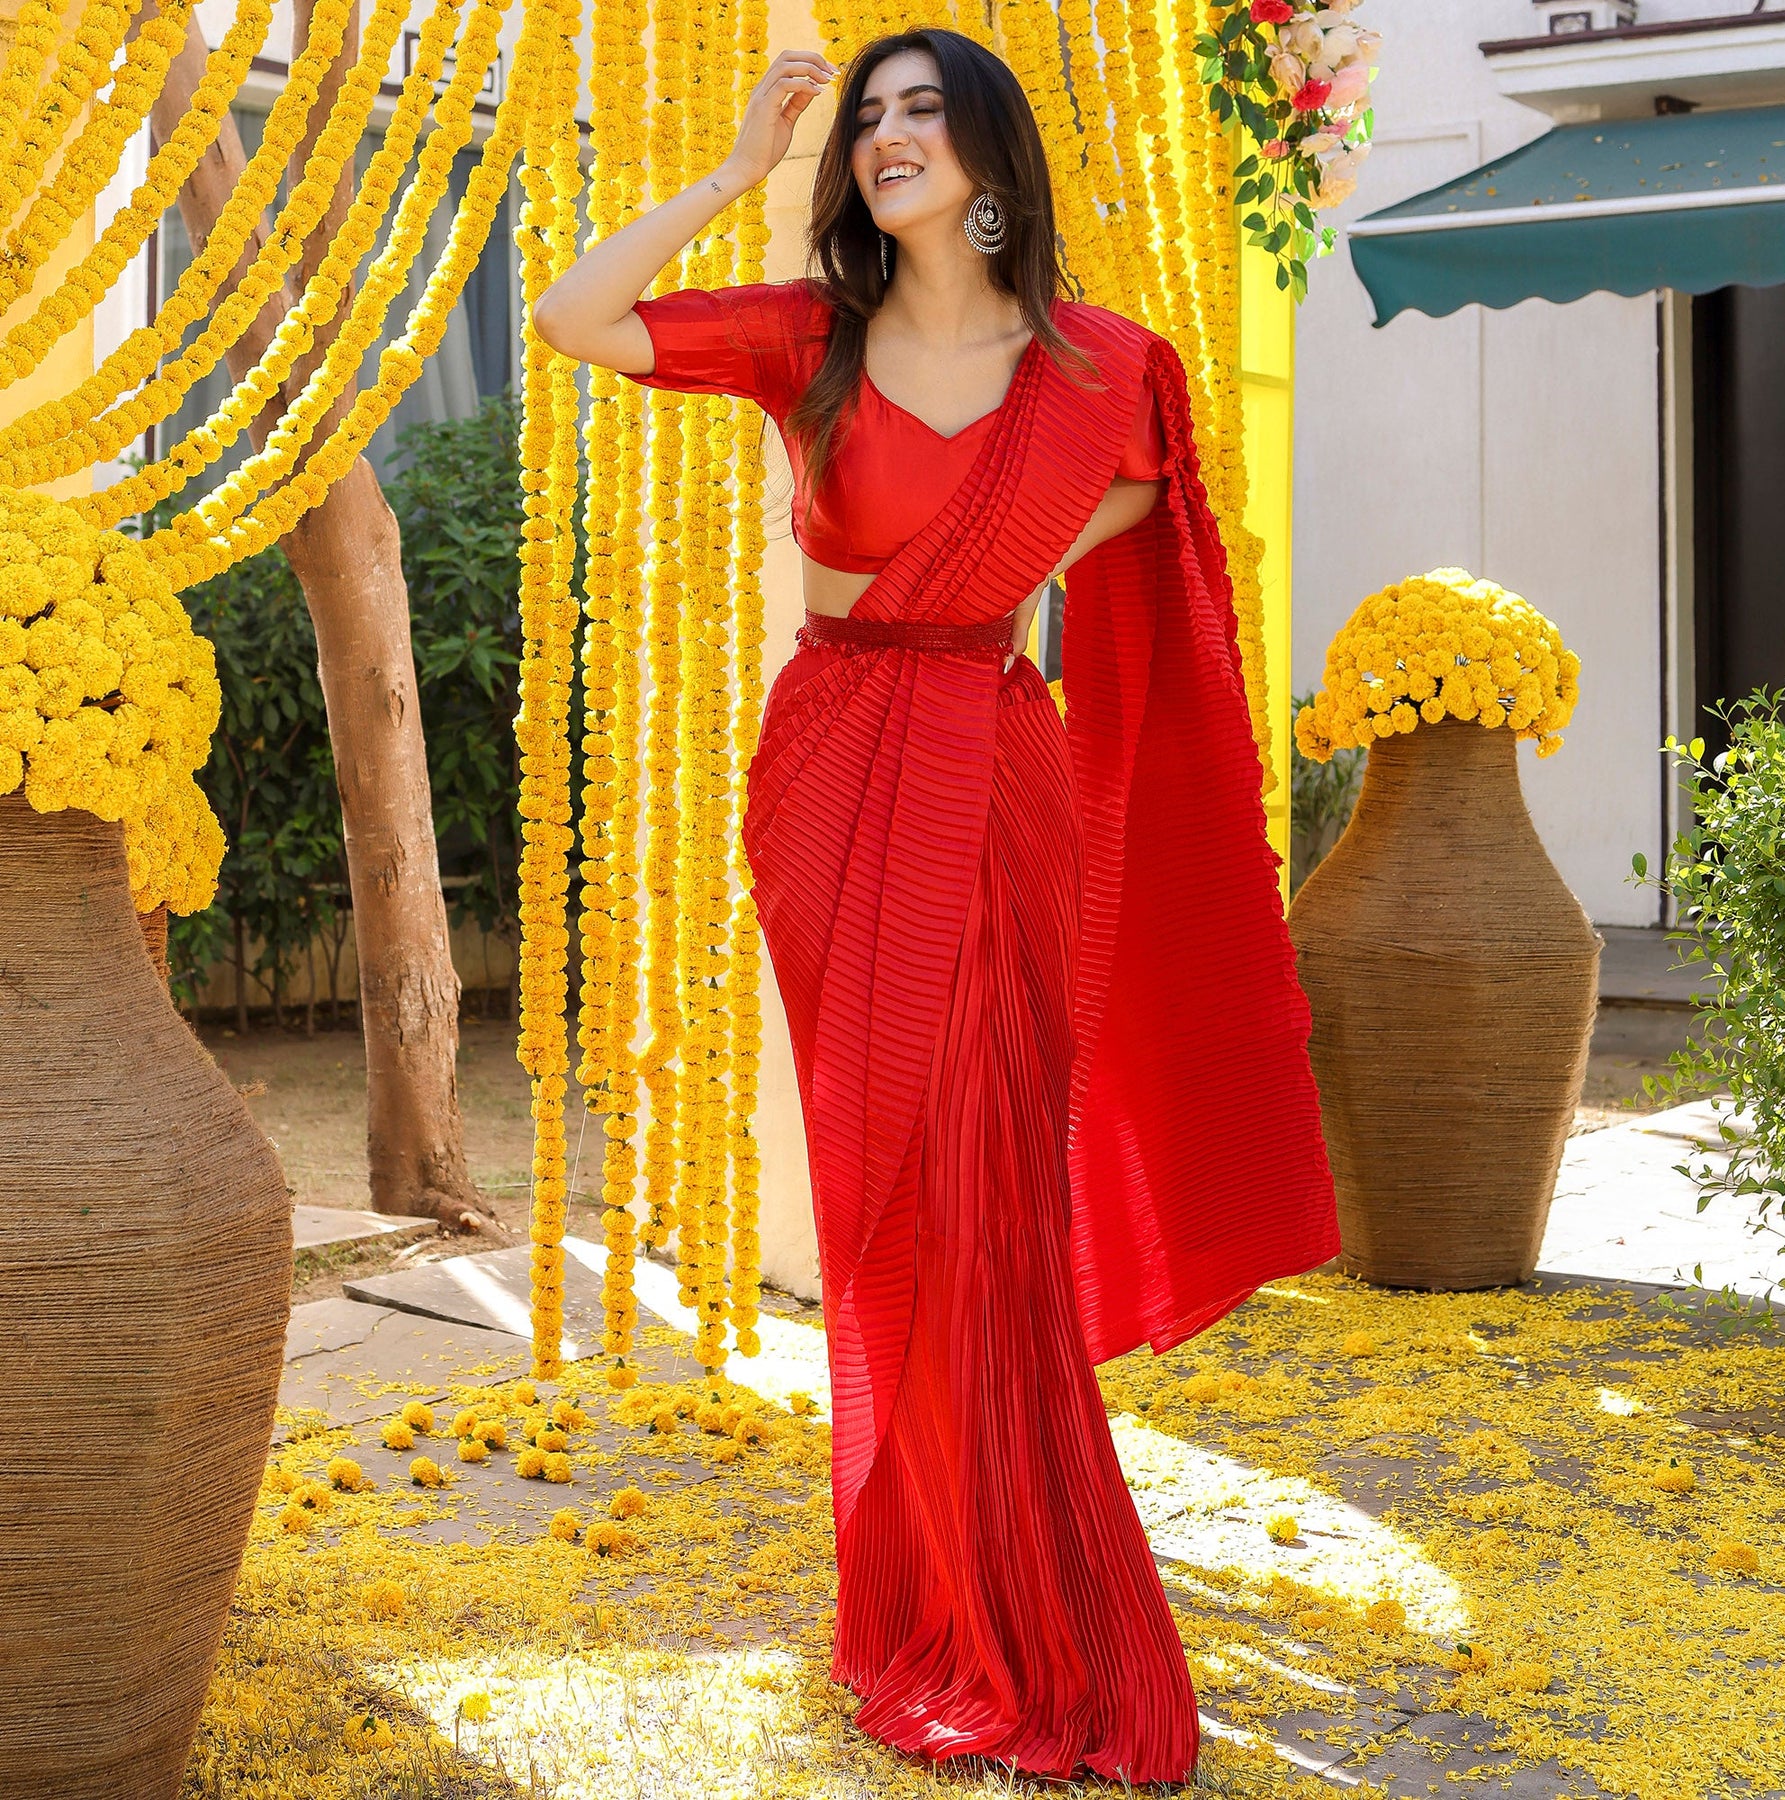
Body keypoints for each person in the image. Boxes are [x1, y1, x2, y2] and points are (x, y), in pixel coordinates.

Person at [534, 27, 1340, 1787]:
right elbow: (575, 319)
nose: (886, 136)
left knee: (997, 1186)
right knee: (894, 1191)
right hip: (833, 771)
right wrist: (743, 171)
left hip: (1000, 765)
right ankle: (926, 1584)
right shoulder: (808, 337)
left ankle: (1039, 1598)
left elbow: (1154, 532)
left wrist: (1012, 555)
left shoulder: (1112, 368)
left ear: (992, 151)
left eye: (921, 110)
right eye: (868, 117)